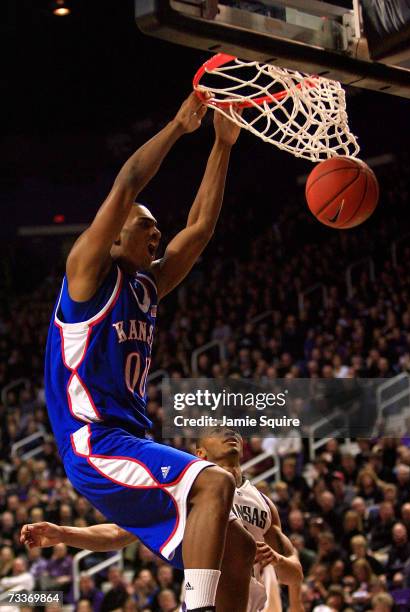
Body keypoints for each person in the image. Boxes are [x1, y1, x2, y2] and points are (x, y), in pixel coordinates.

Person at [43, 90, 255, 612]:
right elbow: (129, 183)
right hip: (94, 442)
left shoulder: (145, 286)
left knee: (240, 547)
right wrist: (181, 126)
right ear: (113, 234)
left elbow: (200, 230)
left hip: (127, 441)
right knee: (212, 483)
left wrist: (222, 146)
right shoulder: (87, 275)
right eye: (146, 225)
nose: (158, 232)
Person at [21, 429, 303, 612]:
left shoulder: (263, 504)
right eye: (217, 432)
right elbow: (118, 534)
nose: (229, 432)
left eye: (233, 432)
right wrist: (63, 534)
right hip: (207, 601)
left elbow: (294, 574)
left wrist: (276, 560)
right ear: (199, 454)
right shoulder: (184, 491)